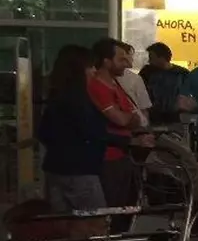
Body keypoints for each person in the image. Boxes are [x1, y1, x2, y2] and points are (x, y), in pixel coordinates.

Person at [38, 45, 113, 211]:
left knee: (61, 223)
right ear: (79, 70)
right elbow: (92, 132)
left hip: (54, 170)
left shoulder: (56, 95)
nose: (94, 71)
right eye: (90, 66)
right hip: (80, 172)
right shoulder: (78, 99)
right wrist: (127, 141)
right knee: (95, 222)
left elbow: (43, 132)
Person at [87, 39, 145, 214]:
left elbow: (134, 118)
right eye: (121, 59)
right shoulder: (97, 86)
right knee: (111, 210)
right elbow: (122, 119)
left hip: (122, 155)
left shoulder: (115, 85)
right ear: (106, 61)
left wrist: (129, 118)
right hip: (107, 158)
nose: (127, 64)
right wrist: (129, 118)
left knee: (124, 208)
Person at [139, 42, 193, 126]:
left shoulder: (181, 73)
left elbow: (188, 94)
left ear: (162, 58)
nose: (149, 61)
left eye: (151, 58)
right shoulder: (146, 72)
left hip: (175, 117)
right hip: (152, 116)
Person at [115, 42, 152, 128]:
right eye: (130, 55)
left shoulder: (135, 78)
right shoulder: (135, 78)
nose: (132, 59)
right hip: (131, 126)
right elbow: (144, 108)